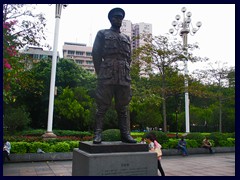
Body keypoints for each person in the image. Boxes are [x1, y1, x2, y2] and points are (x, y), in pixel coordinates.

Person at [92, 7, 136, 144]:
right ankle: (98, 134)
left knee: (123, 108)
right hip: (107, 73)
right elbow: (96, 54)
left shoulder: (126, 38)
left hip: (123, 75)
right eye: (116, 17)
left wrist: (125, 69)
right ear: (111, 19)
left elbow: (129, 57)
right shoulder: (102, 33)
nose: (118, 20)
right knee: (102, 106)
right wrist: (101, 72)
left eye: (120, 18)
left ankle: (125, 134)